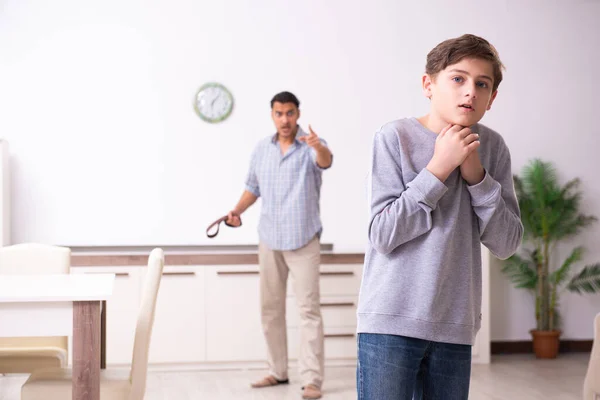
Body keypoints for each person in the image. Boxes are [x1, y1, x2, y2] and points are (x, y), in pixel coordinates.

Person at [356, 34, 524, 400]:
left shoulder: (492, 147)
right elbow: (383, 234)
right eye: (458, 78)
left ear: (492, 98)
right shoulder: (393, 137)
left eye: (483, 84)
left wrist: (478, 178)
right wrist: (438, 168)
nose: (471, 92)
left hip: (455, 326)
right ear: (428, 84)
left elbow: (507, 243)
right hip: (390, 323)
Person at [226, 91, 333, 400]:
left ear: (297, 114)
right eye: (278, 113)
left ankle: (312, 380)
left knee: (308, 311)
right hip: (269, 239)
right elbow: (252, 188)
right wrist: (236, 211)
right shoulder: (262, 149)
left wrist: (318, 146)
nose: (284, 119)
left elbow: (325, 162)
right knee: (270, 309)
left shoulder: (313, 145)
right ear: (272, 115)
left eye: (289, 113)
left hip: (303, 240)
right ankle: (277, 371)